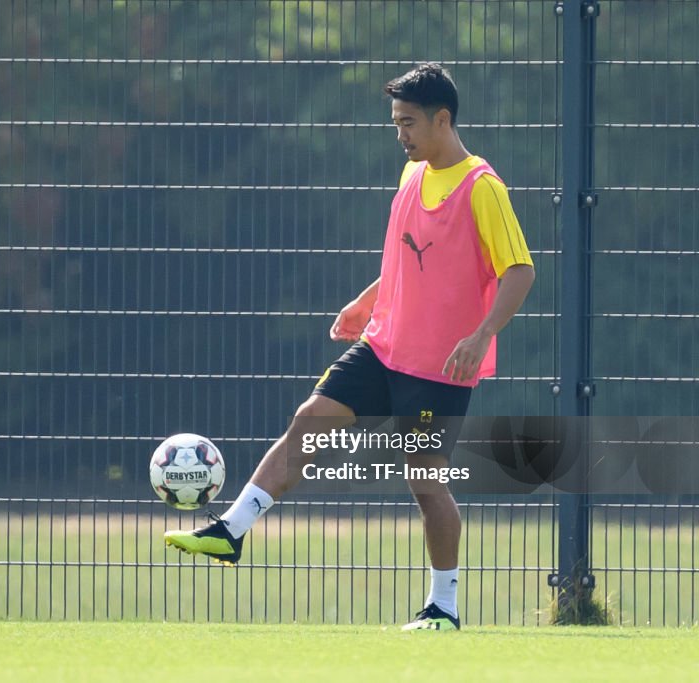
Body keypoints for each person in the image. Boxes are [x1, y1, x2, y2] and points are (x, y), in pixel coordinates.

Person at [164, 63, 535, 631]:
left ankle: (444, 608)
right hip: (383, 346)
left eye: (408, 123)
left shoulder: (482, 186)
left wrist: (482, 334)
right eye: (395, 123)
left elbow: (520, 271)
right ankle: (230, 531)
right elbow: (411, 257)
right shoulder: (412, 175)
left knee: (424, 478)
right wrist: (368, 300)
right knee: (309, 420)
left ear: (443, 119)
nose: (401, 134)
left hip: (437, 369)